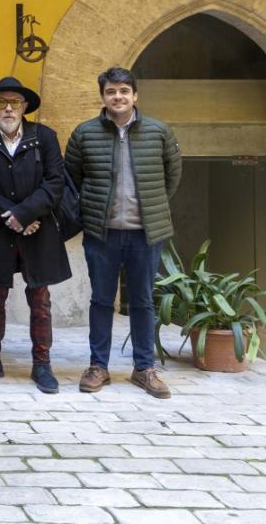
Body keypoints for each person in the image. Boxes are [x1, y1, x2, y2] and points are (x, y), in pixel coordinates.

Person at [66, 66, 181, 399]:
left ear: (135, 95)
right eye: (111, 92)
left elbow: (172, 176)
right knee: (101, 300)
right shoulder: (85, 133)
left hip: (146, 233)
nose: (118, 97)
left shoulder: (159, 131)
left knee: (143, 301)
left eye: (123, 91)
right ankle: (98, 366)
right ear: (102, 96)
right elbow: (72, 178)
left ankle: (144, 368)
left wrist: (151, 206)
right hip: (102, 234)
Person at [0, 77, 70, 394]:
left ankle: (42, 365)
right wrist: (11, 217)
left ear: (25, 107)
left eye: (15, 102)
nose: (8, 108)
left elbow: (55, 182)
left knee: (40, 301)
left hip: (39, 230)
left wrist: (26, 215)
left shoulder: (45, 137)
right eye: (1, 102)